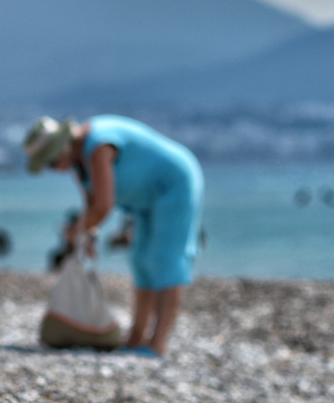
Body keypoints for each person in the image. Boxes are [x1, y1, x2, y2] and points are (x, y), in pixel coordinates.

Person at [24, 115, 203, 356]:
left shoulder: (98, 144)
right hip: (146, 201)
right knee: (140, 259)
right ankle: (136, 338)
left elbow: (103, 206)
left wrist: (78, 231)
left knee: (167, 259)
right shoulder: (80, 164)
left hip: (174, 184)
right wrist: (86, 237)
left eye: (51, 162)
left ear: (62, 147)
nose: (53, 169)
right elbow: (91, 207)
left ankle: (158, 343)